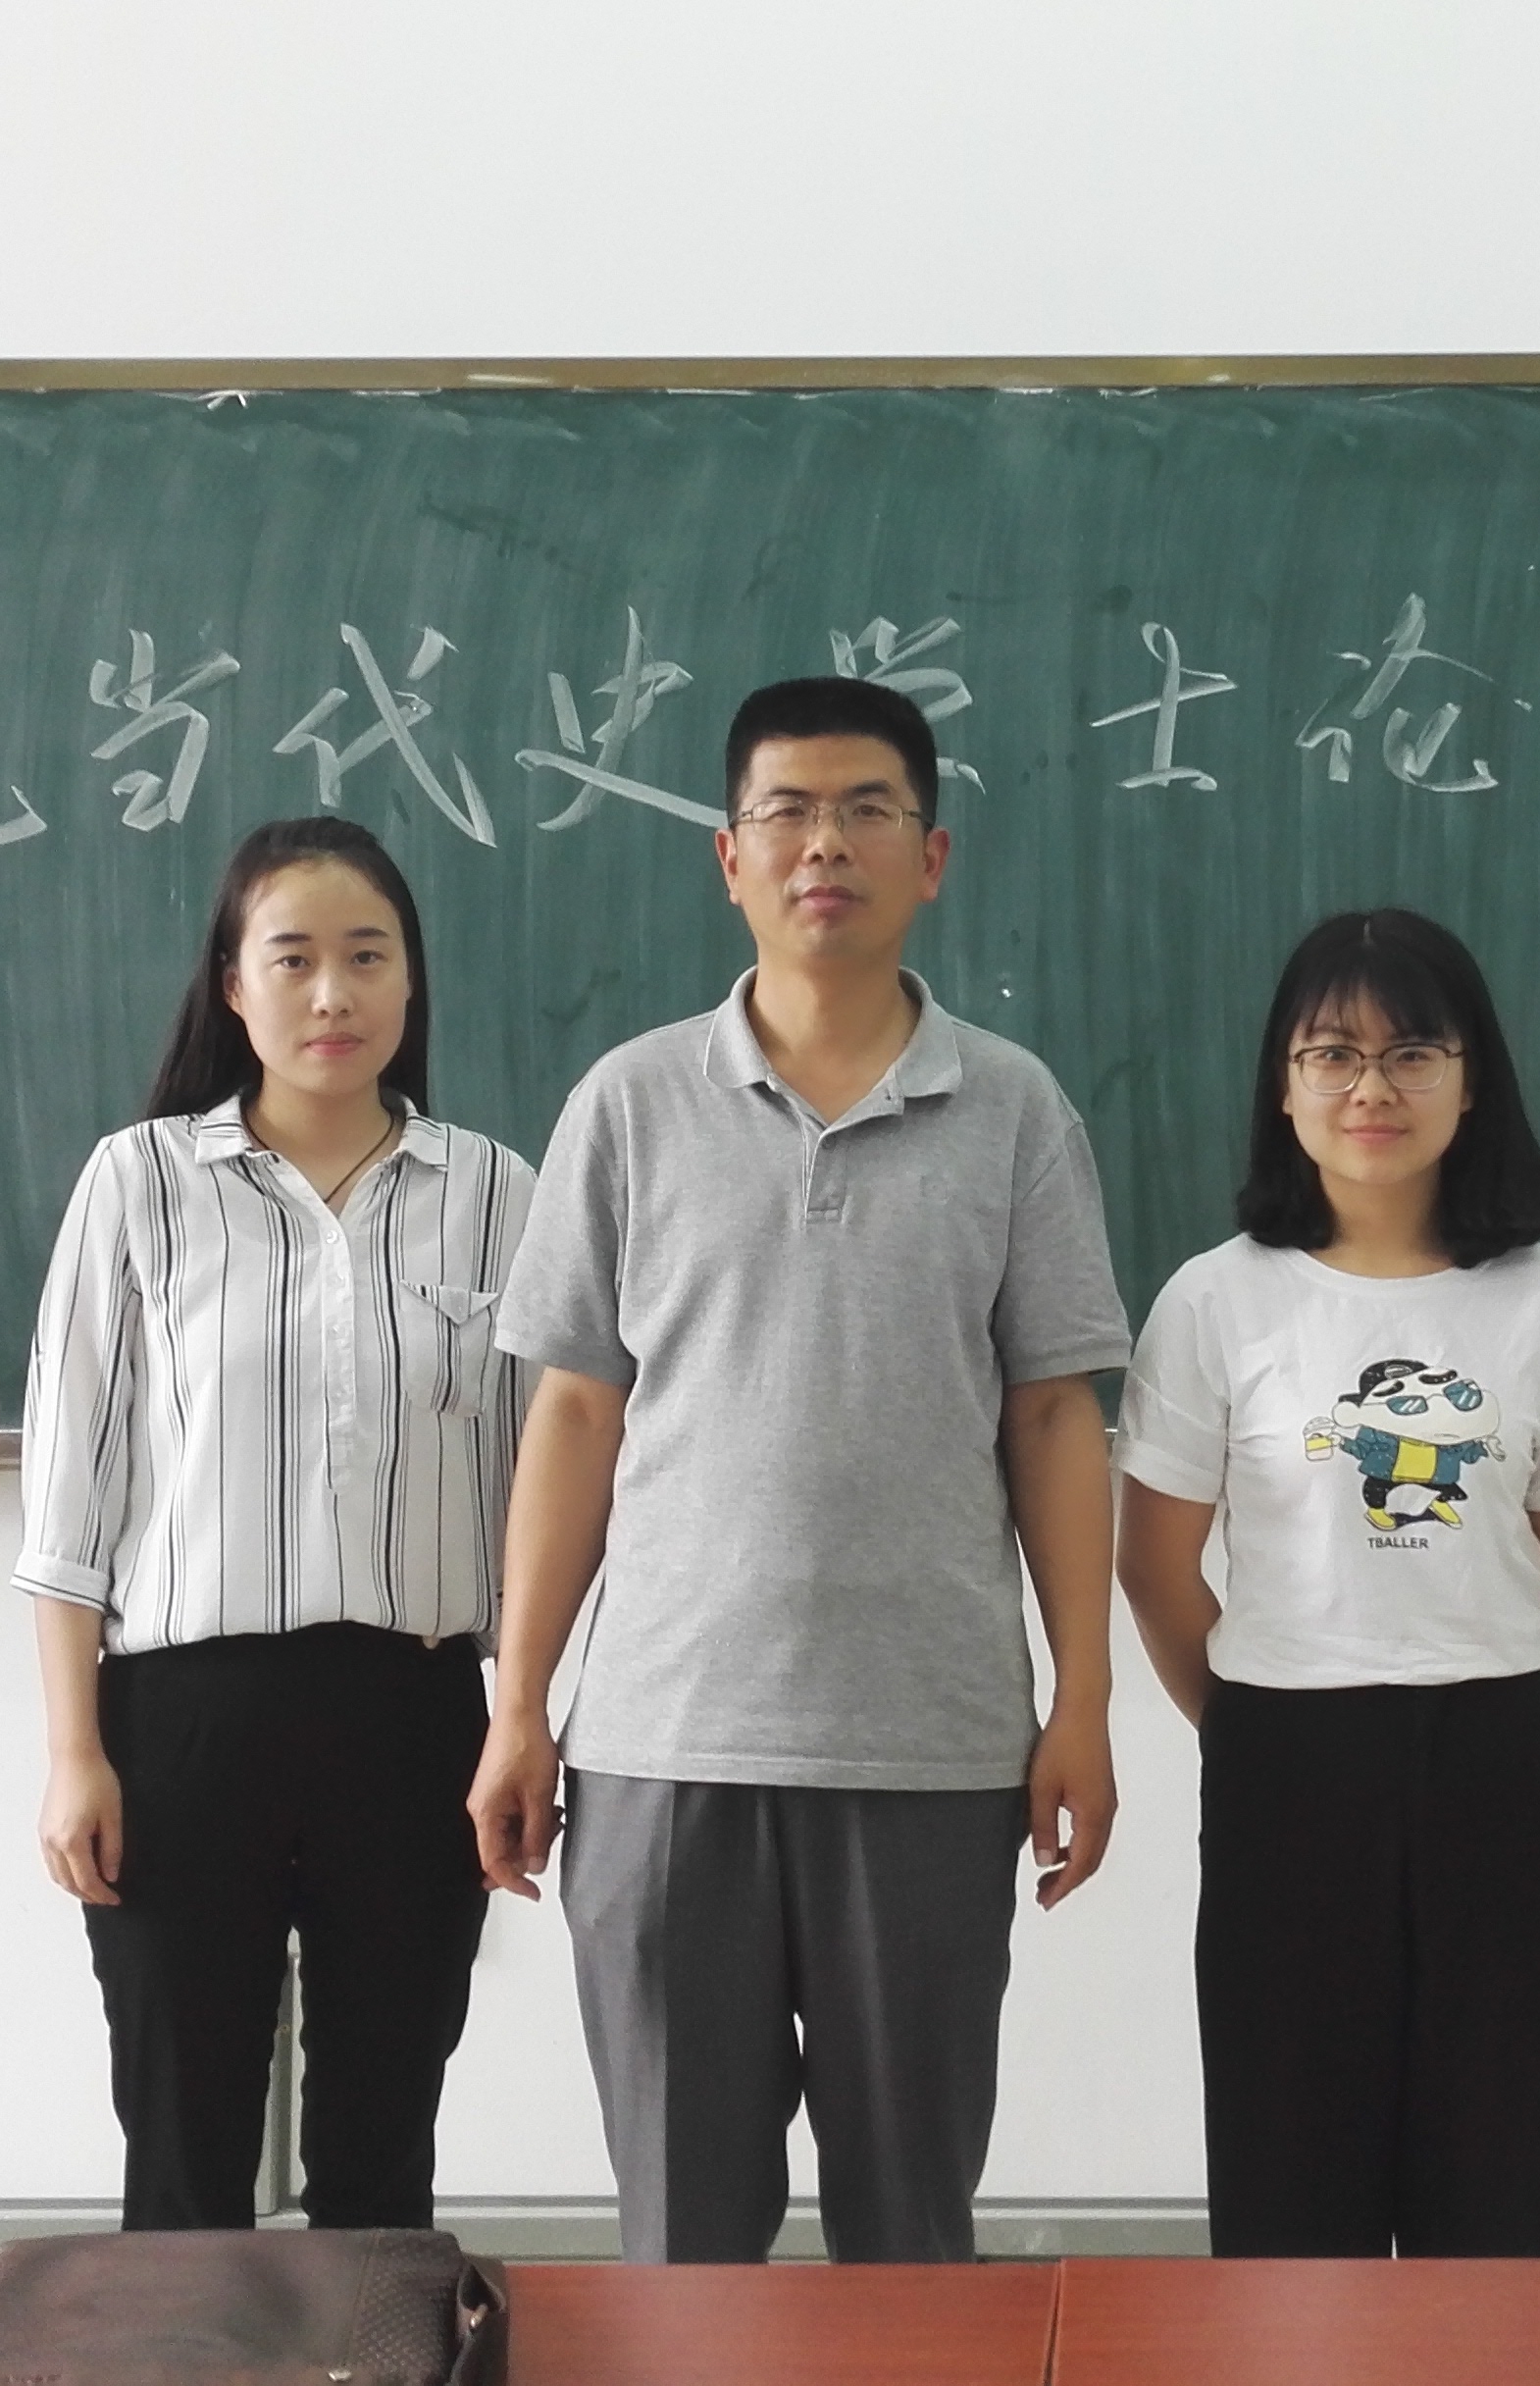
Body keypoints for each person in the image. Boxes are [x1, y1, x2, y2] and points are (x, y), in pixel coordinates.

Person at [465, 676, 1132, 2265]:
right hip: (663, 1747)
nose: (824, 845)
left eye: (866, 811)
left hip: (930, 1753)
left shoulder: (1014, 1110)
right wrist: (519, 1704)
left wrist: (1085, 1703)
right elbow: (575, 1417)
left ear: (932, 857)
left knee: (912, 2242)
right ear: (730, 857)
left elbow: (1055, 1417)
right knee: (684, 2243)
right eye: (786, 812)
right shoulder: (630, 1103)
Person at [15, 816, 536, 2232]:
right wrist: (74, 1753)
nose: (332, 994)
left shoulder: (496, 1193)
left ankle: (373, 2338)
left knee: (381, 2149)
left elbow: (537, 1493)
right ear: (232, 986)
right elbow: (70, 1499)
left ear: (412, 982)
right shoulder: (139, 1182)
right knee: (184, 2154)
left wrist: (525, 1719)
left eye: (368, 956)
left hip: (417, 1716)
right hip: (183, 1723)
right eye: (292, 958)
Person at [1116, 909, 1540, 2260]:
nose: (1371, 1089)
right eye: (1332, 1054)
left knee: (1507, 2190)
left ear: (1472, 1079)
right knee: (1294, 2188)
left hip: (1501, 1758)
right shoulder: (1217, 1299)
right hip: (1287, 1762)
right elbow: (1154, 1564)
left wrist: (1449, 1652)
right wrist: (1261, 1718)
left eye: (1412, 1054)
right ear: (1283, 1086)